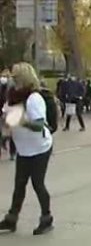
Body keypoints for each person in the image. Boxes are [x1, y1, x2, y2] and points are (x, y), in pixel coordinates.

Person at [0, 62, 54, 235]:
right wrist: (6, 126)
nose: (12, 79)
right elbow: (7, 118)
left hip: (40, 148)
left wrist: (22, 121)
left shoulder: (34, 98)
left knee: (37, 183)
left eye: (15, 76)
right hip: (23, 148)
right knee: (19, 184)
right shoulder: (12, 97)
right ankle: (11, 219)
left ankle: (46, 219)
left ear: (24, 77)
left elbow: (39, 125)